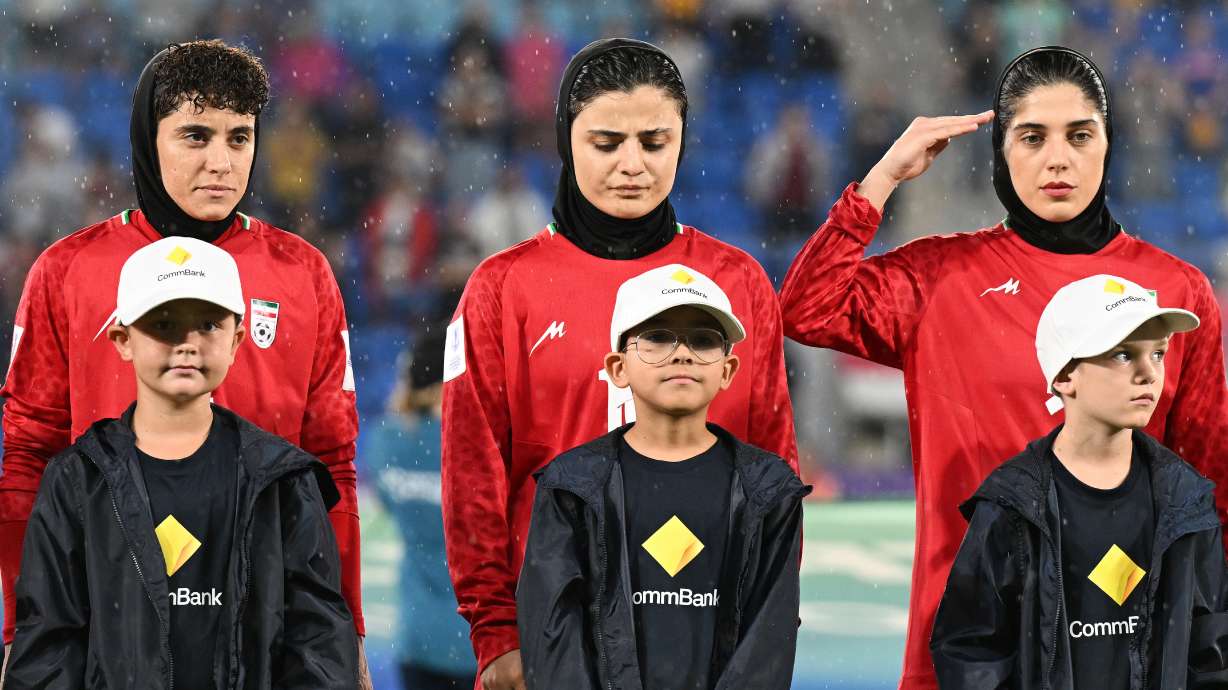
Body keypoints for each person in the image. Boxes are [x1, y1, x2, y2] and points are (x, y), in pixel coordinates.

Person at [778, 45, 1228, 689]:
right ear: (1001, 153)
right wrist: (878, 183)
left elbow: (1212, 487)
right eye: (1032, 137)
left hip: (1127, 650)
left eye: (1080, 135)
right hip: (964, 654)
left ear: (1107, 143)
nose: (1058, 159)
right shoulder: (939, 278)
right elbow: (805, 309)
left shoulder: (1177, 294)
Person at [0, 40, 370, 685]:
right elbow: (29, 456)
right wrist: (21, 630)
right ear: (150, 135)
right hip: (109, 621)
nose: (221, 163)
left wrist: (349, 633)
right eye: (195, 136)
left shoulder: (304, 273)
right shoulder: (67, 272)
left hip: (268, 620)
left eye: (239, 137)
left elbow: (331, 464)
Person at [442, 38, 798, 690]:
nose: (632, 165)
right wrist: (495, 634)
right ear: (564, 139)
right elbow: (473, 480)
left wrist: (762, 640)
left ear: (683, 143)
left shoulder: (738, 284)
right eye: (606, 143)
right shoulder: (498, 290)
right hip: (554, 633)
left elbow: (775, 479)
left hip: (705, 633)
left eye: (655, 143)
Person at [4, 237, 359, 688]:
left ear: (237, 340)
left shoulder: (284, 481)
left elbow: (319, 646)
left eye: (208, 324)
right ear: (122, 339)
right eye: (164, 324)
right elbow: (49, 649)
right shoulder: (76, 480)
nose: (187, 343)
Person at [518, 264, 808, 689]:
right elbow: (553, 634)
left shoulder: (769, 491)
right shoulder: (571, 486)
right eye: (656, 337)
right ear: (617, 368)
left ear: (727, 370)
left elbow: (769, 641)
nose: (682, 353)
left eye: (704, 340)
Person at [931, 274, 1228, 687]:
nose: (1149, 374)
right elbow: (971, 653)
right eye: (1124, 356)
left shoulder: (1188, 501)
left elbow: (1212, 654)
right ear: (1064, 376)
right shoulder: (1011, 504)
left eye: (1158, 354)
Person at [366, 331, 477, 689]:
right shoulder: (480, 446)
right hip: (481, 640)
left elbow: (387, 502)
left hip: (416, 637)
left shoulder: (388, 441)